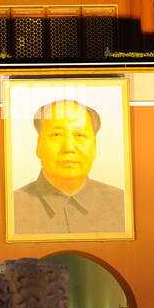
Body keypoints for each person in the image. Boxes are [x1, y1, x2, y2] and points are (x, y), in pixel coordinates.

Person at [11, 99, 125, 235]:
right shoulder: (12, 208)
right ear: (38, 146)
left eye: (80, 135)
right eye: (57, 135)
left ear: (94, 147)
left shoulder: (122, 204)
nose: (69, 147)